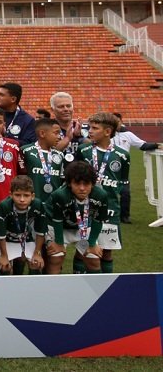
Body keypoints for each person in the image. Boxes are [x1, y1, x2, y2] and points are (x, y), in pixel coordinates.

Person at [76, 112, 129, 273]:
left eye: (94, 128)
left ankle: (107, 287)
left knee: (106, 251)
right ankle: (77, 283)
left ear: (107, 131)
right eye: (89, 127)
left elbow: (122, 182)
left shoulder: (122, 155)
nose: (90, 131)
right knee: (82, 249)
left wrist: (109, 195)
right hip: (85, 207)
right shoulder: (83, 150)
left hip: (110, 209)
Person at [45, 161, 108, 274]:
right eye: (77, 184)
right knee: (56, 258)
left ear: (93, 183)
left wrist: (92, 243)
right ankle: (52, 289)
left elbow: (98, 220)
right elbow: (57, 220)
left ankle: (95, 290)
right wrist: (59, 242)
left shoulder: (101, 195)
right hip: (58, 227)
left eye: (86, 184)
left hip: (82, 227)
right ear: (69, 183)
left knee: (93, 259)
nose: (82, 188)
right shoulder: (59, 195)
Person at [0, 176, 46, 275]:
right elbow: (0, 235)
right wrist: (4, 256)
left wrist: (37, 253)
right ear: (11, 195)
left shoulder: (38, 205)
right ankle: (3, 288)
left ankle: (31, 288)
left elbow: (41, 232)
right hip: (4, 239)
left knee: (36, 264)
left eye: (26, 195)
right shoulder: (4, 206)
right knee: (4, 267)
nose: (22, 199)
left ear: (32, 196)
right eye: (17, 195)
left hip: (25, 238)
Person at [111, 112, 161, 223]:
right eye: (113, 121)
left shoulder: (128, 134)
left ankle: (124, 217)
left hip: (122, 169)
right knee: (106, 192)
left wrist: (157, 145)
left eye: (117, 121)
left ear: (121, 122)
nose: (115, 124)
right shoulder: (105, 133)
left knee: (125, 193)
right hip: (105, 168)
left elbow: (142, 145)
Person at [20, 118, 66, 203]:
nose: (59, 137)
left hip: (53, 204)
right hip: (31, 203)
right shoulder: (25, 151)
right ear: (42, 133)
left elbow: (62, 181)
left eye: (59, 133)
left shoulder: (59, 155)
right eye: (56, 133)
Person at [50, 92, 85, 161]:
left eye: (68, 106)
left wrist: (79, 137)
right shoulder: (48, 129)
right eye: (61, 106)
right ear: (52, 110)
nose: (66, 109)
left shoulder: (84, 128)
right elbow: (49, 153)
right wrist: (68, 138)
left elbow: (94, 148)